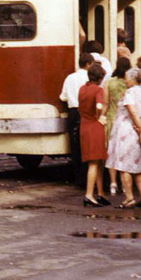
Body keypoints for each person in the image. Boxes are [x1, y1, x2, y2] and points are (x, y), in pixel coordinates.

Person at [106, 67, 141, 207]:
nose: (125, 80)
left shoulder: (130, 93)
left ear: (133, 79)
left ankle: (129, 198)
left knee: (124, 166)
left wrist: (138, 130)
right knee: (138, 166)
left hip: (127, 132)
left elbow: (132, 111)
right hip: (140, 131)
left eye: (127, 77)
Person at [60, 53, 94, 187]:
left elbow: (63, 97)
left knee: (75, 146)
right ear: (88, 64)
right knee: (87, 146)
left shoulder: (70, 77)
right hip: (86, 113)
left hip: (73, 112)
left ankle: (78, 178)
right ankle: (88, 178)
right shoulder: (89, 78)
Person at [78, 63, 110, 206]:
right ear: (100, 77)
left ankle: (100, 192)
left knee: (96, 161)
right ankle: (89, 194)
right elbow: (99, 105)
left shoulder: (82, 89)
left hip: (84, 125)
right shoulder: (98, 90)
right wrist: (100, 116)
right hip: (94, 126)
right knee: (95, 162)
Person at [103, 57, 131, 195]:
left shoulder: (109, 82)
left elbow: (106, 103)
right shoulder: (130, 83)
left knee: (112, 152)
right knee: (125, 152)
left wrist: (101, 116)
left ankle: (113, 183)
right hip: (127, 120)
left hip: (112, 119)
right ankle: (125, 185)